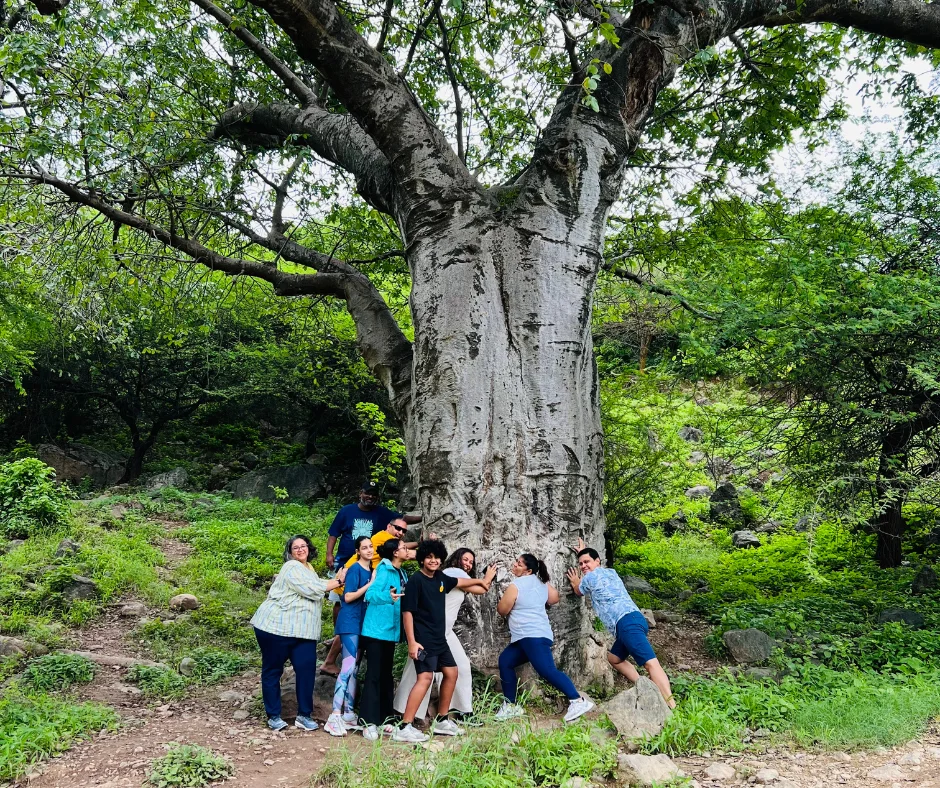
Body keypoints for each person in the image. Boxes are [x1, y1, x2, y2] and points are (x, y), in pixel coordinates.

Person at [396, 540, 494, 743]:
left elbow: (460, 583)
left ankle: (442, 720)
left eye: (436, 557)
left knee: (452, 672)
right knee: (425, 678)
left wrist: (482, 581)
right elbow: (407, 613)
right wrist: (412, 642)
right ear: (422, 559)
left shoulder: (441, 577)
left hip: (440, 638)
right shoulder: (416, 581)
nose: (433, 561)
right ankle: (404, 726)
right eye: (429, 557)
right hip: (423, 639)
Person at [322, 483, 421, 675]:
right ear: (388, 527)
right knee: (350, 621)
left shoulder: (386, 532)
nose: (400, 533)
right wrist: (425, 545)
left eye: (403, 531)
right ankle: (330, 661)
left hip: (359, 577)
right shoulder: (382, 537)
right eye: (397, 529)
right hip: (352, 578)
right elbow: (407, 553)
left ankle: (343, 658)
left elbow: (404, 528)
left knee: (353, 621)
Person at [250, 535, 347, 732]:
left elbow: (317, 582)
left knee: (306, 671)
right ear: (290, 552)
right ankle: (274, 716)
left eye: (304, 546)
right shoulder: (291, 567)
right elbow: (312, 589)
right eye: (296, 547)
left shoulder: (308, 569)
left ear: (309, 549)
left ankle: (304, 715)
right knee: (273, 670)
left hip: (302, 632)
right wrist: (337, 580)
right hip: (276, 628)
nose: (301, 550)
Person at [566, 543, 675, 709]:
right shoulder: (611, 572)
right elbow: (593, 569)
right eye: (580, 564)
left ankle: (671, 705)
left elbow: (578, 591)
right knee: (614, 659)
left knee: (651, 663)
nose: (583, 566)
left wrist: (575, 581)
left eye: (586, 562)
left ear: (598, 561)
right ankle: (645, 686)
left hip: (626, 623)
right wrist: (585, 553)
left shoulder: (588, 578)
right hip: (634, 619)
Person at [495, 554, 594, 723]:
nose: (515, 565)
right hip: (528, 637)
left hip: (531, 636)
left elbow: (502, 610)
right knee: (505, 661)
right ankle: (511, 705)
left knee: (547, 670)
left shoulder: (516, 585)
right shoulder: (542, 583)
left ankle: (577, 701)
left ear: (528, 570)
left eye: (519, 564)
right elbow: (554, 598)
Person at [358, 537, 410, 741]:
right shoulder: (384, 569)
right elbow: (370, 595)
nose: (407, 550)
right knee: (374, 675)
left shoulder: (401, 572)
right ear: (395, 553)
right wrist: (388, 597)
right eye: (404, 548)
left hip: (390, 631)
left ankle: (386, 720)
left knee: (386, 675)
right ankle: (367, 722)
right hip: (375, 631)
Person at [324, 535, 374, 737]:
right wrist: (369, 585)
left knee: (355, 669)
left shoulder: (371, 570)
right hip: (349, 622)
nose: (369, 550)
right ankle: (334, 716)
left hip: (362, 624)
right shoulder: (355, 569)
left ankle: (348, 714)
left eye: (371, 546)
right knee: (347, 667)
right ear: (357, 551)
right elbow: (348, 596)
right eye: (364, 547)